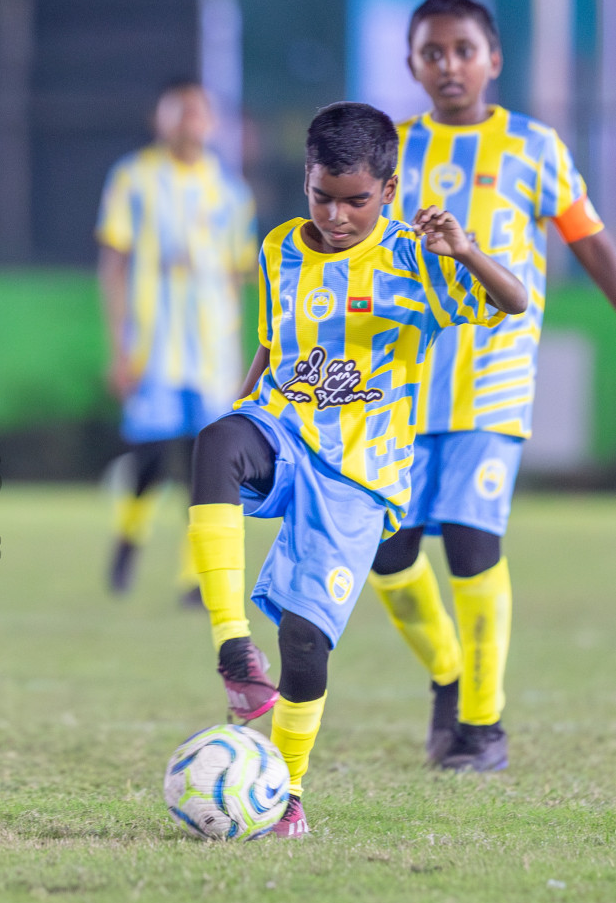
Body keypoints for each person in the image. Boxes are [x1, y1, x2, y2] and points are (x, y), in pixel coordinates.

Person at [188, 101, 526, 837]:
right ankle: (233, 652)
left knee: (306, 643)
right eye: (321, 195)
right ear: (304, 180)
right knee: (215, 441)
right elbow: (275, 343)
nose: (336, 216)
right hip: (285, 433)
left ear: (389, 190)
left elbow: (515, 299)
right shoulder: (279, 248)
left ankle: (286, 795)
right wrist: (242, 404)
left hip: (356, 478)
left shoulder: (415, 260)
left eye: (355, 201)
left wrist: (463, 250)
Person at [367, 0, 616, 773]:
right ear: (410, 64)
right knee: (388, 553)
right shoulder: (388, 154)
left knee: (473, 544)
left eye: (463, 50)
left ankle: (480, 724)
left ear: (493, 60)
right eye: (431, 52)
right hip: (400, 385)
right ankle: (448, 673)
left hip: (493, 378)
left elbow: (588, 243)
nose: (448, 65)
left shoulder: (534, 148)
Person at [97, 80, 256, 598]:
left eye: (199, 111)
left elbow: (240, 270)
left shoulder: (231, 192)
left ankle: (194, 576)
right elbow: (114, 263)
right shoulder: (133, 178)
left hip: (211, 353)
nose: (190, 120)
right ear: (159, 118)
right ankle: (128, 539)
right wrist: (118, 347)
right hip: (154, 347)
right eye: (179, 110)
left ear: (212, 122)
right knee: (150, 451)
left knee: (206, 458)